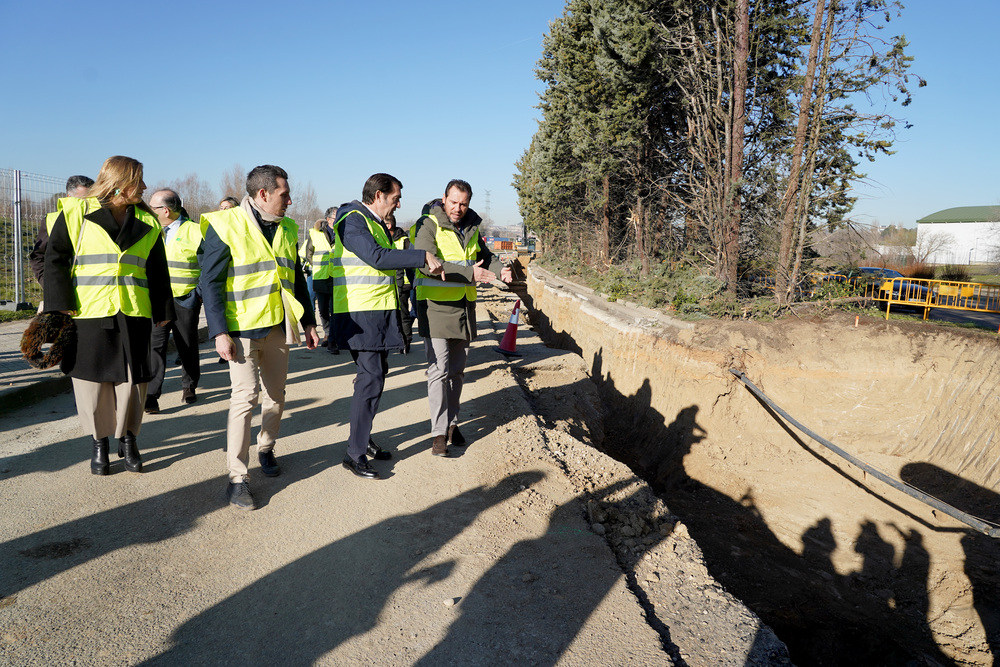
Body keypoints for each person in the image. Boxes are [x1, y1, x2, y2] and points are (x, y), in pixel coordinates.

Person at [43, 156, 174, 475]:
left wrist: (163, 309)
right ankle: (99, 444)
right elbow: (55, 259)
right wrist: (59, 304)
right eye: (139, 181)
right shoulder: (75, 212)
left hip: (133, 310)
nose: (144, 187)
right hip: (87, 311)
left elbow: (158, 269)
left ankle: (128, 441)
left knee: (133, 382)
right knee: (91, 383)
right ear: (120, 183)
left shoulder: (149, 221)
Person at [200, 165, 320, 510]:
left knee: (276, 397)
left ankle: (266, 448)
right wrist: (219, 331)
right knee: (244, 397)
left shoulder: (286, 228)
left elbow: (295, 277)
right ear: (263, 194)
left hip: (278, 327)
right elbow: (210, 283)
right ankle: (237, 477)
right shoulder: (225, 224)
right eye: (284, 194)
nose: (291, 200)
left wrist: (308, 322)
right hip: (241, 330)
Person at [331, 173, 443, 479]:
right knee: (371, 378)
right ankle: (354, 453)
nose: (398, 205)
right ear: (378, 195)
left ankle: (361, 437)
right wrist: (422, 256)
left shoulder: (375, 223)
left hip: (376, 312)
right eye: (395, 198)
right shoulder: (353, 220)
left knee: (374, 377)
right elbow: (378, 258)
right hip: (358, 314)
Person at [411, 179, 511, 457]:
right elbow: (427, 262)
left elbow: (485, 256)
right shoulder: (427, 225)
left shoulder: (470, 226)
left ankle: (452, 423)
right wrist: (471, 274)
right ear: (444, 199)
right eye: (453, 202)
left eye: (463, 203)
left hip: (464, 308)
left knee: (456, 372)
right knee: (438, 371)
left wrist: (500, 269)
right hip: (436, 307)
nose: (458, 208)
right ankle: (438, 433)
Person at [145, 188, 203, 412]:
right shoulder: (151, 231)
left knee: (186, 344)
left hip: (184, 299)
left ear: (166, 210)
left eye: (153, 207)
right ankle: (151, 394)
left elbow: (206, 267)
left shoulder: (195, 231)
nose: (149, 211)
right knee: (155, 346)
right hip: (157, 301)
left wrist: (197, 295)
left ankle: (189, 386)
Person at [30, 175, 94, 287]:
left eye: (92, 199)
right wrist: (50, 286)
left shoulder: (100, 221)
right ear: (69, 197)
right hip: (63, 294)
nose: (87, 204)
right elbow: (38, 257)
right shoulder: (52, 221)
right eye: (82, 200)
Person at [301, 215, 338, 354]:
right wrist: (316, 266)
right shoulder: (315, 233)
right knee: (323, 309)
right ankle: (327, 333)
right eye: (335, 217)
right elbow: (308, 252)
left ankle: (333, 340)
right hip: (321, 276)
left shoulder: (343, 232)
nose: (337, 219)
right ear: (328, 219)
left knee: (335, 310)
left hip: (337, 277)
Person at [385, 211, 415, 353]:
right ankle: (398, 340)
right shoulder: (385, 239)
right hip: (392, 284)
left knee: (403, 315)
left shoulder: (404, 241)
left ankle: (406, 342)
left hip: (404, 283)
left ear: (389, 225)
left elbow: (410, 264)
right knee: (396, 314)